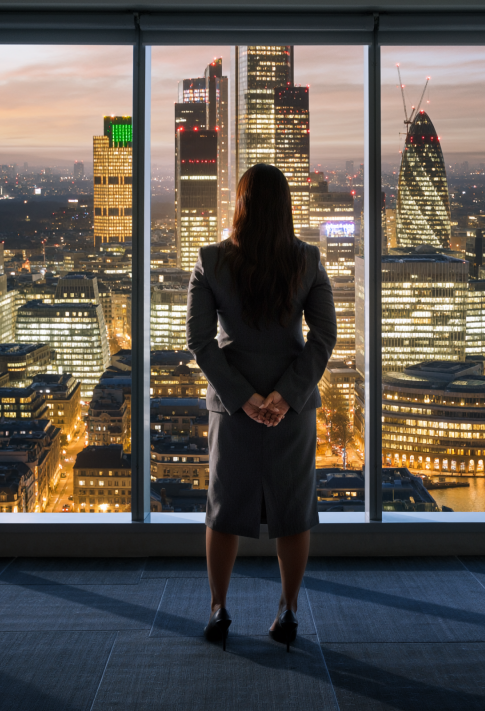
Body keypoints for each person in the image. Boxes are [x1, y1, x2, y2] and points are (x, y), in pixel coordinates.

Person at [186, 163, 336, 652]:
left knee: (224, 510)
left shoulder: (211, 261)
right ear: (286, 207)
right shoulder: (308, 261)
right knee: (293, 512)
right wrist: (284, 396)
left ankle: (218, 609)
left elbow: (200, 342)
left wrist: (244, 398)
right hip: (291, 411)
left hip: (233, 411)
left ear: (241, 203)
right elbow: (324, 337)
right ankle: (289, 612)